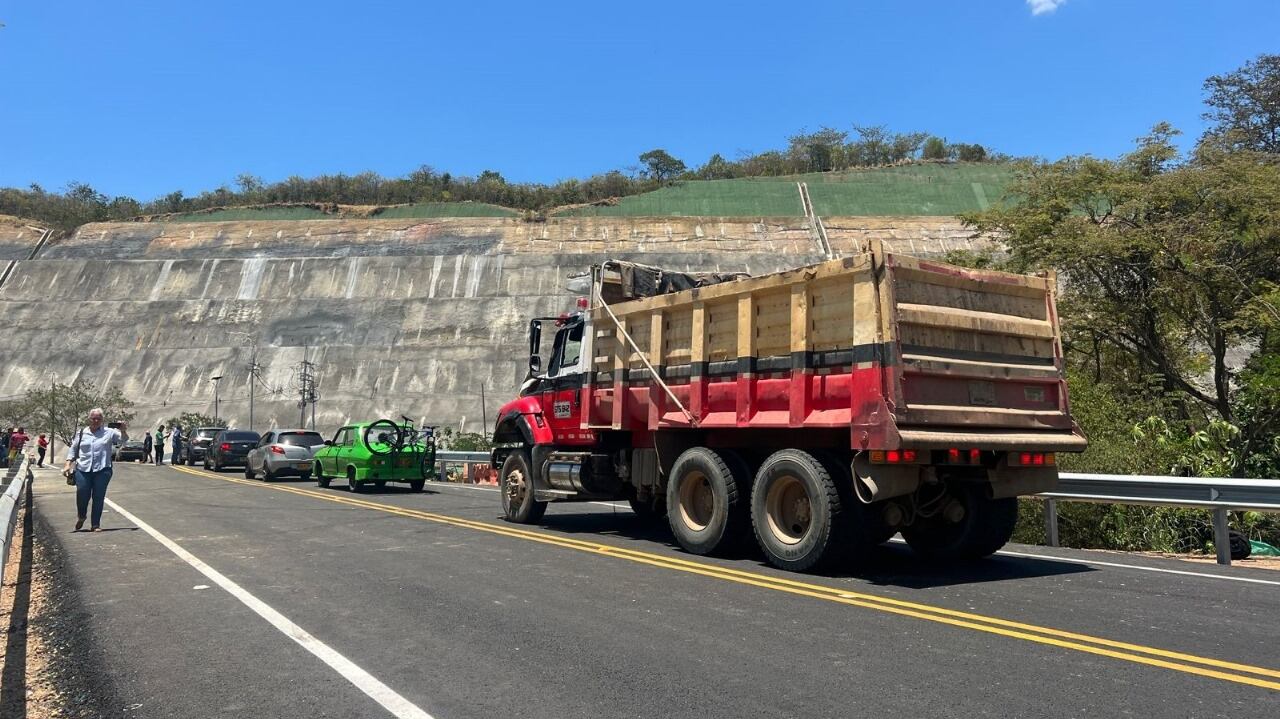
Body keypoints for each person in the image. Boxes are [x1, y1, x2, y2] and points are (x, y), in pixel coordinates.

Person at [62, 408, 127, 532]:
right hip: (83, 468)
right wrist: (67, 464)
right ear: (89, 419)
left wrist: (123, 431)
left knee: (98, 496)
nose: (96, 421)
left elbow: (123, 440)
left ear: (102, 420)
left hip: (103, 469)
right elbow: (73, 449)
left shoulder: (109, 432)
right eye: (94, 418)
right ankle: (81, 516)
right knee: (82, 493)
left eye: (99, 418)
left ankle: (95, 524)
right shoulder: (81, 433)